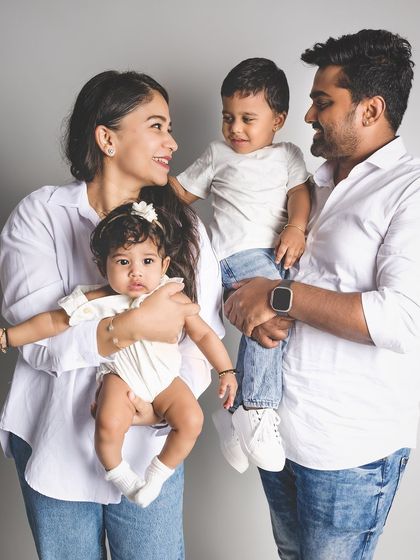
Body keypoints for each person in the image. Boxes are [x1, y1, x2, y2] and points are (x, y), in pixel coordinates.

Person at [0, 70, 224, 559]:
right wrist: (128, 327)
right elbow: (38, 340)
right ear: (107, 138)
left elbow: (201, 335)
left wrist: (159, 403)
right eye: (157, 125)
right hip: (54, 438)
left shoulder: (183, 227)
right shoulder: (41, 215)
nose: (173, 140)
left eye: (170, 127)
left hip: (150, 444)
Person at [223, 29, 420, 559]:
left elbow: (401, 321)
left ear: (371, 109)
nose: (308, 115)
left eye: (322, 101)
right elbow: (250, 271)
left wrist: (278, 296)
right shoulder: (310, 184)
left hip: (349, 454)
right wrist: (243, 304)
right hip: (282, 436)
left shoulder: (412, 190)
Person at [1, 200, 237, 508]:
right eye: (123, 262)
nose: (136, 272)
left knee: (192, 419)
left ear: (164, 265)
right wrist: (7, 336)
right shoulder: (97, 298)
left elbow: (203, 333)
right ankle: (119, 473)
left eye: (148, 261)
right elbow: (52, 321)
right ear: (104, 266)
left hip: (165, 378)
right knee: (108, 421)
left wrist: (226, 371)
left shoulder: (171, 294)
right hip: (121, 377)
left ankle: (155, 476)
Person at [170, 58, 311, 473]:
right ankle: (260, 410)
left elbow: (300, 193)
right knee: (273, 311)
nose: (235, 128)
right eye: (228, 117)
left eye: (248, 119)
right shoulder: (217, 154)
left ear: (278, 120)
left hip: (276, 257)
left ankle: (235, 415)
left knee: (268, 324)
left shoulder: (288, 155)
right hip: (235, 255)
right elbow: (178, 193)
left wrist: (297, 227)